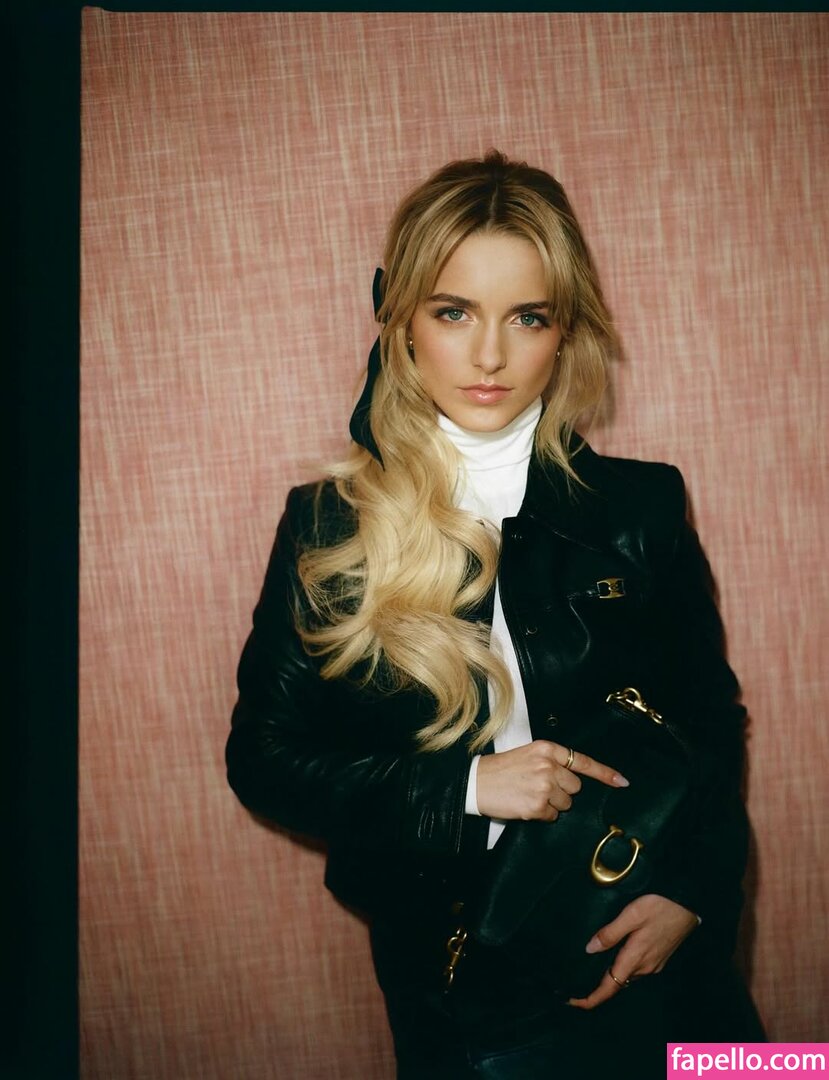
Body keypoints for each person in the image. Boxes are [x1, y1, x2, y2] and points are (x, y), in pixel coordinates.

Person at [226, 150, 763, 1078]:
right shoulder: (329, 525)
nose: (488, 357)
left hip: (656, 952)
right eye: (452, 312)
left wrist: (692, 892)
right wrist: (467, 788)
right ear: (401, 320)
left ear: (565, 330)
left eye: (527, 317)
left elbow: (708, 723)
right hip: (461, 982)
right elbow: (264, 760)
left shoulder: (639, 508)